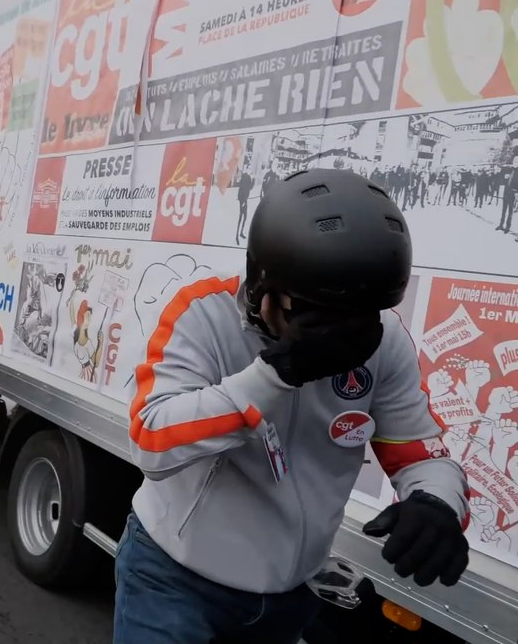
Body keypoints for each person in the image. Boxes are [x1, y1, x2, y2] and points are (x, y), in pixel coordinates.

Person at [116, 168, 470, 644]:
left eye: (360, 316)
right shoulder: (203, 314)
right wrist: (275, 374)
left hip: (289, 594)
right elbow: (152, 441)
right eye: (315, 314)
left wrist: (437, 502)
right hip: (174, 580)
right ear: (263, 285)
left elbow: (422, 456)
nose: (341, 333)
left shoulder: (384, 343)